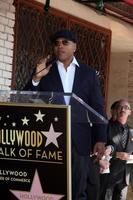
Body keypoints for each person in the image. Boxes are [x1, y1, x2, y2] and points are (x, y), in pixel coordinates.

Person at [24, 29, 107, 200]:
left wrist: (100, 138)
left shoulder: (89, 73)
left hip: (80, 140)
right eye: (57, 43)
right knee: (50, 188)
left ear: (74, 47)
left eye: (65, 42)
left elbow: (98, 106)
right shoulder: (45, 70)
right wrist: (36, 79)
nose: (60, 46)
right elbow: (26, 99)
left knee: (77, 190)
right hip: (49, 139)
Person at [101, 99, 133, 200]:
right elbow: (101, 148)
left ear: (130, 112)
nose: (123, 109)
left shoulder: (132, 131)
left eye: (126, 107)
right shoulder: (106, 126)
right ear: (115, 110)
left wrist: (130, 157)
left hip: (124, 178)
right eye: (120, 106)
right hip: (108, 175)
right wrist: (116, 154)